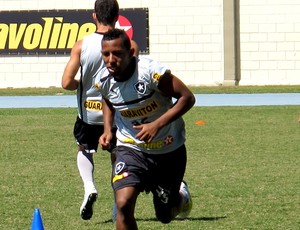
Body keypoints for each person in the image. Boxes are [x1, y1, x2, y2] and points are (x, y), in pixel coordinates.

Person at [96, 29, 195, 229]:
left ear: (131, 53)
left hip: (169, 150)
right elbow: (107, 99)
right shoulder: (103, 80)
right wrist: (107, 129)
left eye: (117, 54)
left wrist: (156, 125)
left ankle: (180, 196)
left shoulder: (150, 73)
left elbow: (187, 98)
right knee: (123, 205)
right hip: (131, 149)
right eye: (106, 54)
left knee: (165, 215)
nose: (111, 60)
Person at [61, 0, 138, 221]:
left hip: (88, 112)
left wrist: (83, 85)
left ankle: (89, 187)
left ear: (94, 15)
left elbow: (66, 82)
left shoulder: (81, 45)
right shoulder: (128, 44)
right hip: (115, 113)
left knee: (84, 148)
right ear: (118, 16)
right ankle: (118, 207)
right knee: (119, 156)